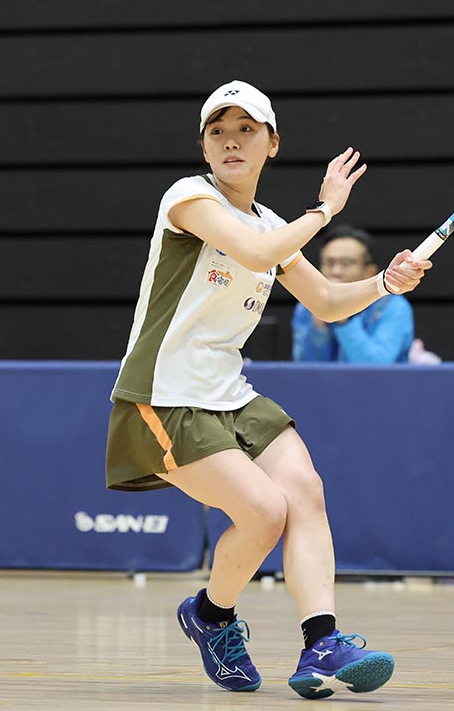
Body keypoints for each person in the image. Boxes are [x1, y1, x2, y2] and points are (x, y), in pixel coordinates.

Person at [104, 80, 431, 698]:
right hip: (164, 395)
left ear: (271, 143)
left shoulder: (273, 224)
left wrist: (385, 283)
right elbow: (256, 254)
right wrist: (324, 211)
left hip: (229, 391)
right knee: (263, 511)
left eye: (246, 130)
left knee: (304, 489)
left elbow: (326, 301)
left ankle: (321, 643)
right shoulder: (189, 198)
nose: (231, 141)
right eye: (218, 131)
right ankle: (211, 616)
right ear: (204, 146)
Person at [291, 225, 414, 363]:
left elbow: (376, 366)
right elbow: (304, 367)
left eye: (346, 263)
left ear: (370, 272)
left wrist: (342, 316)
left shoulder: (394, 306)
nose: (336, 271)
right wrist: (319, 328)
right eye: (329, 263)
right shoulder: (306, 304)